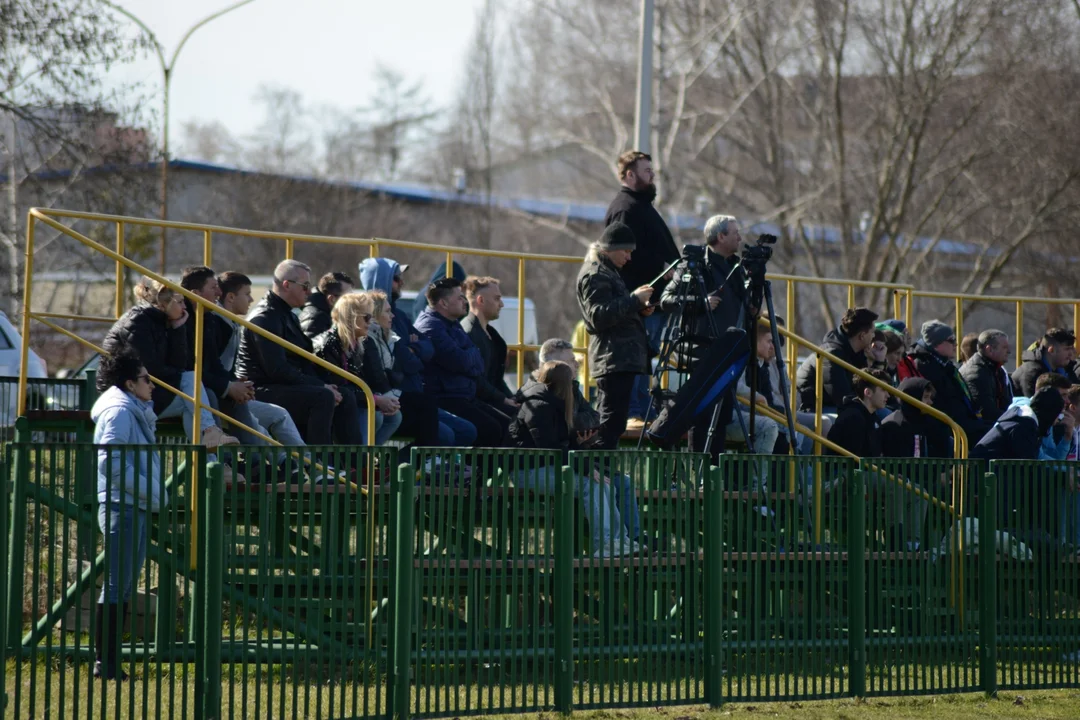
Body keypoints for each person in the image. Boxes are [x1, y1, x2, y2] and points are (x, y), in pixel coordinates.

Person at [90, 348, 168, 680]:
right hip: (122, 505)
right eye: (146, 379)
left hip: (131, 504)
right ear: (129, 383)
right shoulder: (119, 412)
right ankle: (104, 664)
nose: (152, 385)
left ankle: (109, 663)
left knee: (122, 586)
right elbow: (111, 462)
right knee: (116, 584)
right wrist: (151, 492)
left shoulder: (131, 409)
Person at [510, 361, 642, 557]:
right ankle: (604, 543)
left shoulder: (553, 403)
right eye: (571, 382)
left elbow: (562, 445)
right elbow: (551, 448)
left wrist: (581, 444)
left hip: (547, 466)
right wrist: (588, 469)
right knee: (592, 485)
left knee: (606, 485)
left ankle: (618, 541)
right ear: (564, 384)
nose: (575, 387)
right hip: (526, 471)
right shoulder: (537, 406)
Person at [235, 259, 361, 446]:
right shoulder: (265, 317)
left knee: (345, 394)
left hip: (283, 386)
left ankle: (354, 466)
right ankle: (319, 464)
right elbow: (277, 369)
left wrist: (325, 384)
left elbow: (303, 361)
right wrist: (321, 387)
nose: (309, 292)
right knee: (322, 397)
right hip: (259, 389)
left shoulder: (288, 315)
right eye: (305, 286)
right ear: (286, 285)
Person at [103, 277, 237, 451]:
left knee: (193, 405)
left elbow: (181, 364)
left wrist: (178, 328)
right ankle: (210, 438)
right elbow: (149, 367)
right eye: (180, 302)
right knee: (190, 384)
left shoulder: (164, 321)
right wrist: (179, 373)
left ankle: (208, 462)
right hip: (124, 394)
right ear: (164, 303)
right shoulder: (138, 321)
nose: (184, 307)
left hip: (147, 390)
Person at [358, 257, 475, 447]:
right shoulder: (372, 323)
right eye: (396, 278)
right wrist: (412, 350)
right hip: (397, 400)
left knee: (466, 430)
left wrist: (413, 349)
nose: (402, 282)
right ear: (381, 280)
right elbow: (407, 361)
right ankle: (402, 472)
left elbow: (428, 349)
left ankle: (402, 469)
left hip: (414, 397)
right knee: (445, 435)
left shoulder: (400, 316)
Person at [660, 214, 750, 453]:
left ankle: (714, 476)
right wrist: (700, 303)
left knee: (721, 418)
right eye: (735, 233)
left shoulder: (736, 268)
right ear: (720, 236)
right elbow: (666, 300)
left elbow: (748, 305)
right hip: (702, 351)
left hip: (728, 351)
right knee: (704, 414)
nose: (740, 238)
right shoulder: (695, 264)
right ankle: (699, 476)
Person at [604, 150, 680, 425]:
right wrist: (662, 267)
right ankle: (635, 411)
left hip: (650, 300)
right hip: (638, 302)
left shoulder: (639, 206)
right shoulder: (626, 208)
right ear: (629, 175)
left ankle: (642, 409)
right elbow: (620, 256)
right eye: (646, 171)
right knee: (637, 355)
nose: (652, 175)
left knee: (645, 355)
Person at [576, 222, 654, 449]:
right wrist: (634, 300)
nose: (629, 258)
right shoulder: (595, 274)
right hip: (613, 359)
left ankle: (602, 471)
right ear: (610, 248)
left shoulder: (607, 271)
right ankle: (598, 471)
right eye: (626, 251)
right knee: (610, 423)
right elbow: (598, 316)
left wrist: (638, 308)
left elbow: (611, 309)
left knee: (614, 422)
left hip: (619, 358)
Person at [216, 271, 307, 454]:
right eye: (247, 294)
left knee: (278, 414)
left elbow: (224, 367)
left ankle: (303, 465)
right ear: (231, 297)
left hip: (231, 394)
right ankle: (293, 466)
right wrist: (230, 386)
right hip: (218, 398)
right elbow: (210, 367)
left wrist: (238, 382)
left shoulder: (232, 324)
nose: (251, 299)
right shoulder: (215, 324)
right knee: (261, 423)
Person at [415, 276, 510, 447]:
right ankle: (473, 472)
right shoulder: (431, 327)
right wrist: (470, 356)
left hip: (460, 394)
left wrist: (469, 356)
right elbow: (461, 362)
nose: (464, 301)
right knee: (490, 429)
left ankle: (481, 472)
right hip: (444, 397)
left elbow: (475, 362)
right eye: (459, 297)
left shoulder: (452, 323)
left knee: (506, 426)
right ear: (443, 303)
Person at [312, 291, 400, 445]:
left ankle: (366, 460)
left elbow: (360, 382)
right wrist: (376, 399)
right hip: (331, 405)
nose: (371, 322)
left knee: (392, 416)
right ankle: (358, 463)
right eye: (367, 317)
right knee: (373, 415)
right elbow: (339, 387)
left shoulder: (358, 343)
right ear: (352, 317)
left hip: (349, 401)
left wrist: (381, 399)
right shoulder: (329, 344)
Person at [909, 320, 991, 445]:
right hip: (950, 426)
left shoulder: (946, 365)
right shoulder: (925, 366)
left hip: (962, 422)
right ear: (936, 344)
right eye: (951, 340)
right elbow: (943, 404)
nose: (956, 344)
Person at [796, 307, 879, 413]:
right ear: (862, 336)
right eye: (872, 332)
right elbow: (841, 396)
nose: (874, 336)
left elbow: (867, 389)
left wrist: (877, 362)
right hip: (815, 407)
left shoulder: (857, 353)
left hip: (835, 405)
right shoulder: (832, 355)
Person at [461, 276, 519, 414]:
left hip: (491, 400)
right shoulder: (468, 334)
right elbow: (477, 381)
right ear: (480, 300)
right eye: (497, 299)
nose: (501, 304)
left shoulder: (490, 334)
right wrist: (504, 400)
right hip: (478, 403)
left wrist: (512, 398)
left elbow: (495, 379)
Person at [971, 386, 1065, 461]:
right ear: (1049, 414)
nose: (1057, 420)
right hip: (984, 478)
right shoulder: (1023, 426)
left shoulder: (1025, 421)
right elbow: (1029, 467)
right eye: (1057, 414)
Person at [826, 368, 891, 458]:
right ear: (868, 392)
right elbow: (854, 463)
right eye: (883, 390)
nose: (888, 395)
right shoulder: (853, 418)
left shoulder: (871, 416)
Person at [880, 377, 951, 458]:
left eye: (930, 397)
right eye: (925, 397)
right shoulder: (895, 426)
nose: (930, 402)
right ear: (913, 397)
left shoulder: (923, 420)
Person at [960, 329, 1013, 426]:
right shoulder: (975, 373)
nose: (1009, 351)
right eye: (1005, 347)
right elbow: (987, 412)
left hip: (995, 424)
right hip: (980, 430)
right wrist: (1014, 418)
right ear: (990, 349)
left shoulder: (997, 369)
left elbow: (1006, 403)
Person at [1012, 327, 1076, 398]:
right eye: (1067, 349)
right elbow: (1035, 406)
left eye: (1071, 348)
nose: (1071, 353)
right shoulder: (1031, 373)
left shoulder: (1066, 369)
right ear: (1051, 350)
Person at [300, 271, 354, 338]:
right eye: (348, 297)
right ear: (332, 299)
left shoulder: (327, 314)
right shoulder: (316, 319)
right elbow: (311, 347)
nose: (352, 301)